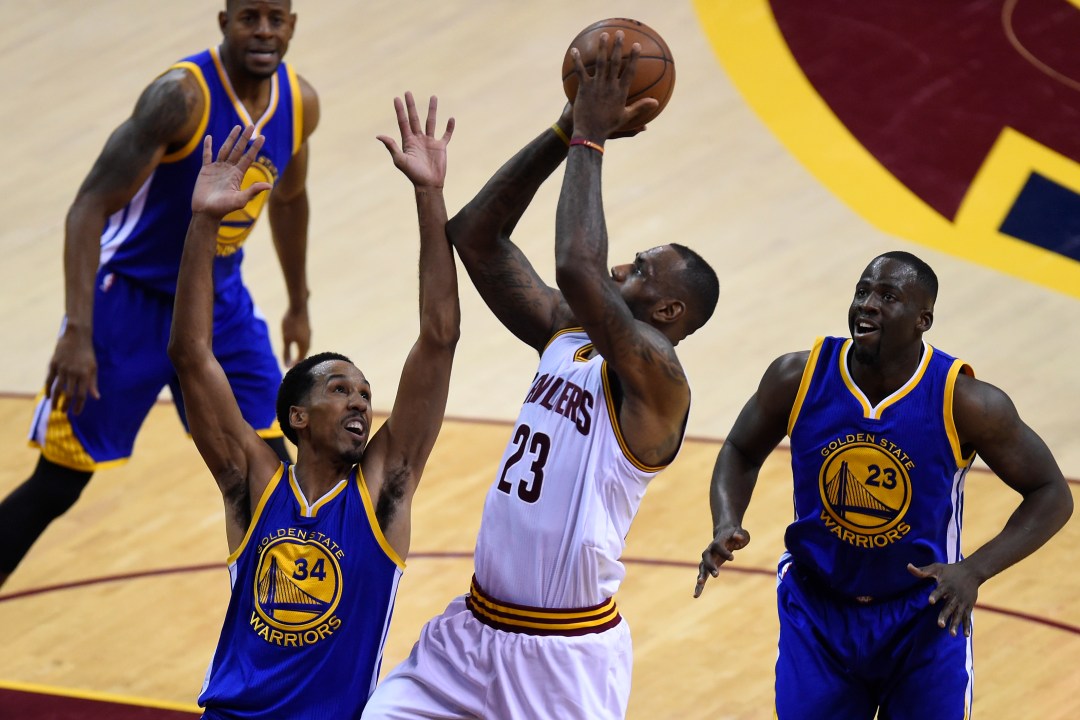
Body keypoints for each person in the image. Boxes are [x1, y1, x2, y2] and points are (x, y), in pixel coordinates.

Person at [363, 33, 719, 719]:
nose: (622, 270)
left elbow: (579, 267)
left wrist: (590, 139)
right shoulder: (567, 332)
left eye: (640, 271)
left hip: (564, 660)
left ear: (670, 311)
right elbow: (475, 237)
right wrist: (562, 131)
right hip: (469, 635)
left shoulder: (658, 380)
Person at [0, 0, 319, 590]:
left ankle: (281, 620)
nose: (265, 31)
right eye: (251, 17)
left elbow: (292, 200)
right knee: (59, 483)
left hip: (219, 302)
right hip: (130, 305)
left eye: (277, 19)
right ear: (224, 23)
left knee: (273, 465)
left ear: (294, 26)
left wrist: (298, 299)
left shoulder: (300, 104)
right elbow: (87, 208)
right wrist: (77, 328)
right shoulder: (182, 97)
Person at [169, 91, 458, 719]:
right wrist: (203, 223)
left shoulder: (385, 490)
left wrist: (429, 196)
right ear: (295, 417)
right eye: (340, 389)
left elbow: (439, 337)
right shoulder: (252, 483)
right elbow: (192, 355)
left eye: (365, 393)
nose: (360, 402)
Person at [694, 251, 1074, 719]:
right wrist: (726, 520)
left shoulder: (966, 402)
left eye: (887, 296)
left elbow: (1051, 494)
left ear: (923, 320)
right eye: (862, 292)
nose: (867, 304)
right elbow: (740, 449)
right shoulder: (798, 377)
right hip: (817, 613)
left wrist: (974, 570)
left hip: (925, 613)